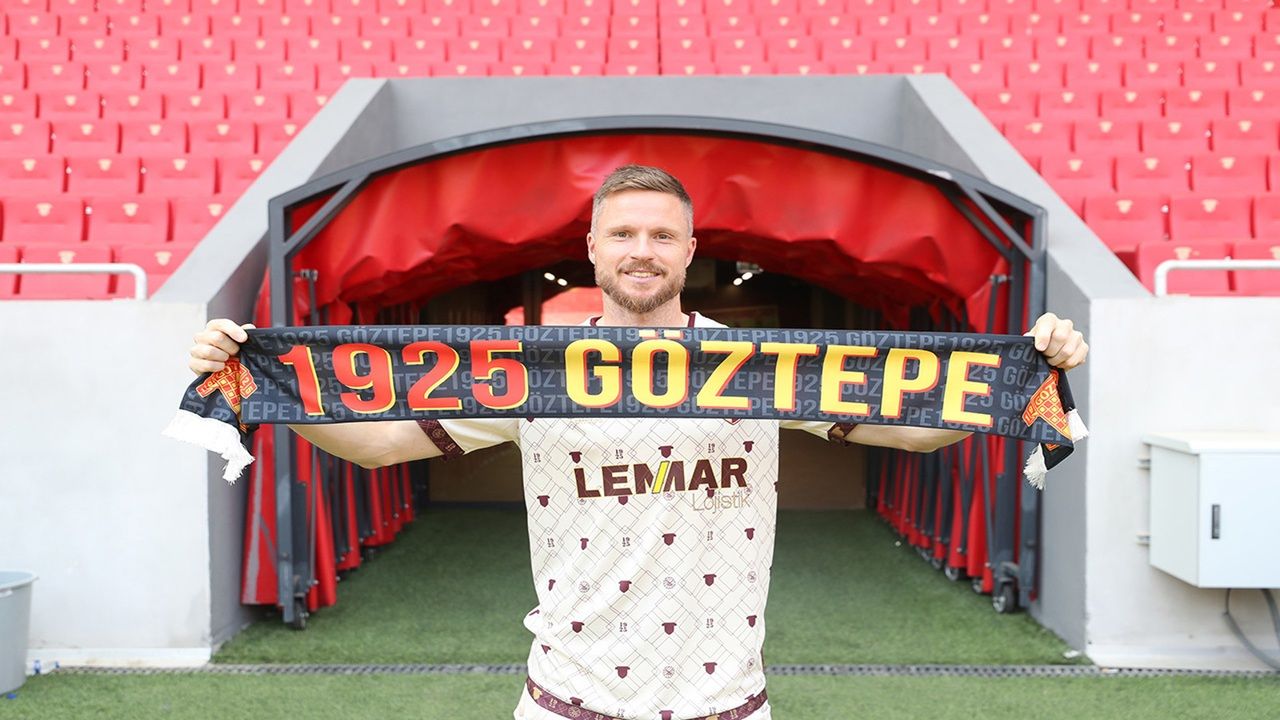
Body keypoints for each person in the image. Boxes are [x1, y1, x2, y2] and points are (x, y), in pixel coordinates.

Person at [189, 165, 1088, 720]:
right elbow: (381, 445)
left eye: (663, 235)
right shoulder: (533, 372)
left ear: (691, 250)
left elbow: (914, 429)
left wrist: (1028, 369)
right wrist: (260, 386)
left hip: (727, 704)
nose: (643, 249)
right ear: (592, 249)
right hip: (568, 701)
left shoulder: (754, 366)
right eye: (624, 233)